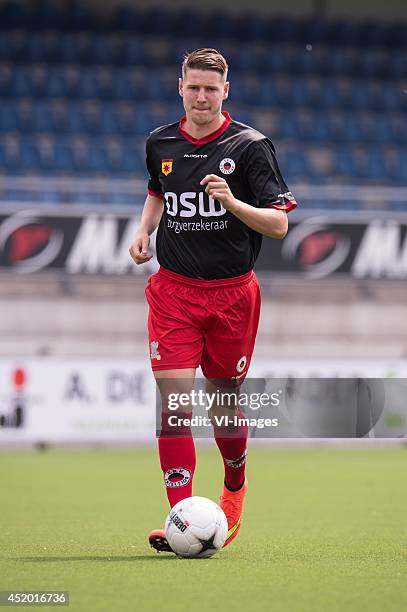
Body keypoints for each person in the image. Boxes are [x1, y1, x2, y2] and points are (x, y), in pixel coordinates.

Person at [129, 48, 297, 553]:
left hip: (232, 297)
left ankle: (234, 488)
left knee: (224, 403)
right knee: (175, 406)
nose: (202, 96)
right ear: (180, 87)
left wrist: (230, 201)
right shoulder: (160, 140)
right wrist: (144, 232)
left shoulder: (249, 146)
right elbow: (158, 190)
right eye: (193, 87)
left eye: (211, 88)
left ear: (226, 91)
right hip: (174, 292)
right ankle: (179, 516)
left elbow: (280, 224)